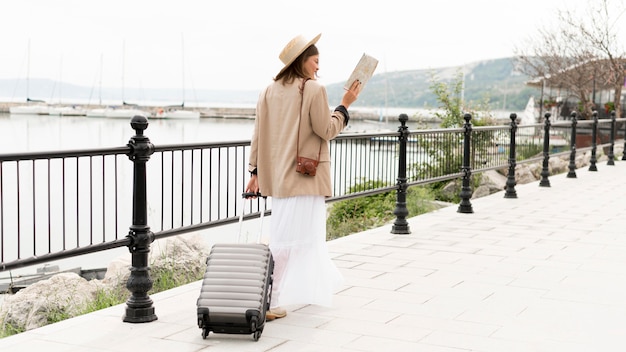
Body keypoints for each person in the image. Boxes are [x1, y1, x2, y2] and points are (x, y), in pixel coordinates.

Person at [245, 33, 361, 321]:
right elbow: (326, 130)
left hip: (278, 178)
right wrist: (345, 105)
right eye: (315, 61)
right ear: (302, 61)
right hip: (305, 176)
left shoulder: (268, 90)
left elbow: (258, 135)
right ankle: (268, 300)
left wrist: (255, 172)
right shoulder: (313, 89)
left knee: (287, 237)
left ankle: (278, 295)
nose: (318, 68)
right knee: (291, 240)